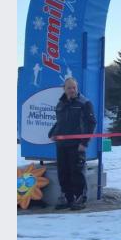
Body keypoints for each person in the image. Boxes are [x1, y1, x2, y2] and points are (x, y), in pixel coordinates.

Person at [48, 77, 97, 211]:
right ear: (64, 89)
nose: (72, 90)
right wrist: (52, 133)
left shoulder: (84, 103)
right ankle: (67, 198)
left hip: (77, 144)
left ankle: (79, 198)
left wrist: (84, 143)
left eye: (74, 87)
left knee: (77, 172)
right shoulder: (60, 103)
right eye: (69, 88)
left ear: (77, 88)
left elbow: (91, 123)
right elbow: (59, 122)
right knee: (63, 172)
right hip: (62, 144)